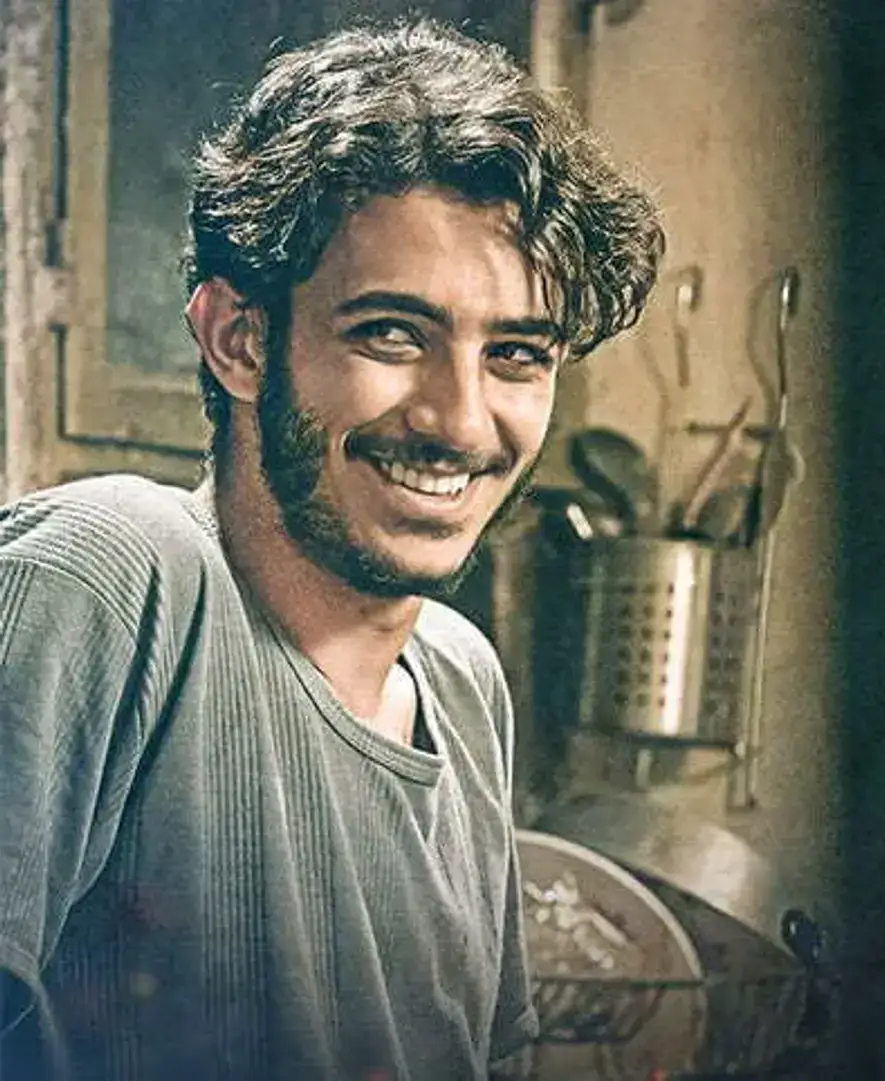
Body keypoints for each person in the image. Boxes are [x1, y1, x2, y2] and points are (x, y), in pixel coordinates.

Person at [0, 19, 663, 1080]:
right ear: (239, 339)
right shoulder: (109, 580)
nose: (460, 421)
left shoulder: (463, 681)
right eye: (392, 333)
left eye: (515, 354)